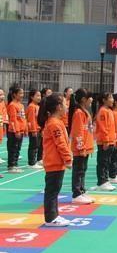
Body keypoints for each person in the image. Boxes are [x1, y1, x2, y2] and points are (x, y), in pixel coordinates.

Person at [40, 93, 72, 227]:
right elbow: (61, 144)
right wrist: (68, 158)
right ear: (59, 107)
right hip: (54, 162)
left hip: (56, 162)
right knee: (52, 191)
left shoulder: (57, 122)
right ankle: (51, 218)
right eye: (65, 104)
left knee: (54, 190)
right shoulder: (54, 124)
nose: (67, 106)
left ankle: (55, 215)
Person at [69, 88, 96, 204]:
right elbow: (77, 132)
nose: (92, 99)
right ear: (84, 99)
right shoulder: (79, 113)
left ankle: (82, 191)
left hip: (86, 146)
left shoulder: (84, 111)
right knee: (78, 170)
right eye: (90, 97)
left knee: (83, 170)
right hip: (81, 148)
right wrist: (81, 147)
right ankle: (76, 193)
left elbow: (86, 129)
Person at [94, 92, 117, 191]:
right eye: (110, 98)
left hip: (110, 140)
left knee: (107, 161)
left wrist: (114, 138)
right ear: (104, 100)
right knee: (102, 162)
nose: (112, 100)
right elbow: (103, 128)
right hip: (104, 141)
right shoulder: (103, 111)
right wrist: (106, 140)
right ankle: (101, 181)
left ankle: (105, 180)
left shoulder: (109, 111)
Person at [6, 85, 27, 174]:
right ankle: (11, 166)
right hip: (14, 131)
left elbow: (23, 118)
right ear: (14, 95)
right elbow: (13, 119)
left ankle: (15, 165)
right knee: (13, 148)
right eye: (20, 93)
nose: (22, 95)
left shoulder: (21, 105)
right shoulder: (12, 105)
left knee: (18, 148)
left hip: (20, 131)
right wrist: (16, 131)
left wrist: (25, 129)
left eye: (22, 93)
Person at [26, 89, 43, 169]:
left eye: (40, 96)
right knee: (33, 146)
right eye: (37, 95)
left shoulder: (38, 106)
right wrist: (33, 130)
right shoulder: (32, 106)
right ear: (32, 97)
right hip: (34, 130)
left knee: (37, 146)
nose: (39, 97)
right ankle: (31, 163)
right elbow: (31, 119)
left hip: (38, 129)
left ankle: (35, 161)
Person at [0, 88, 6, 172]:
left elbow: (4, 114)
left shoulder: (2, 104)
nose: (2, 96)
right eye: (0, 94)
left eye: (2, 94)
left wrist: (4, 123)